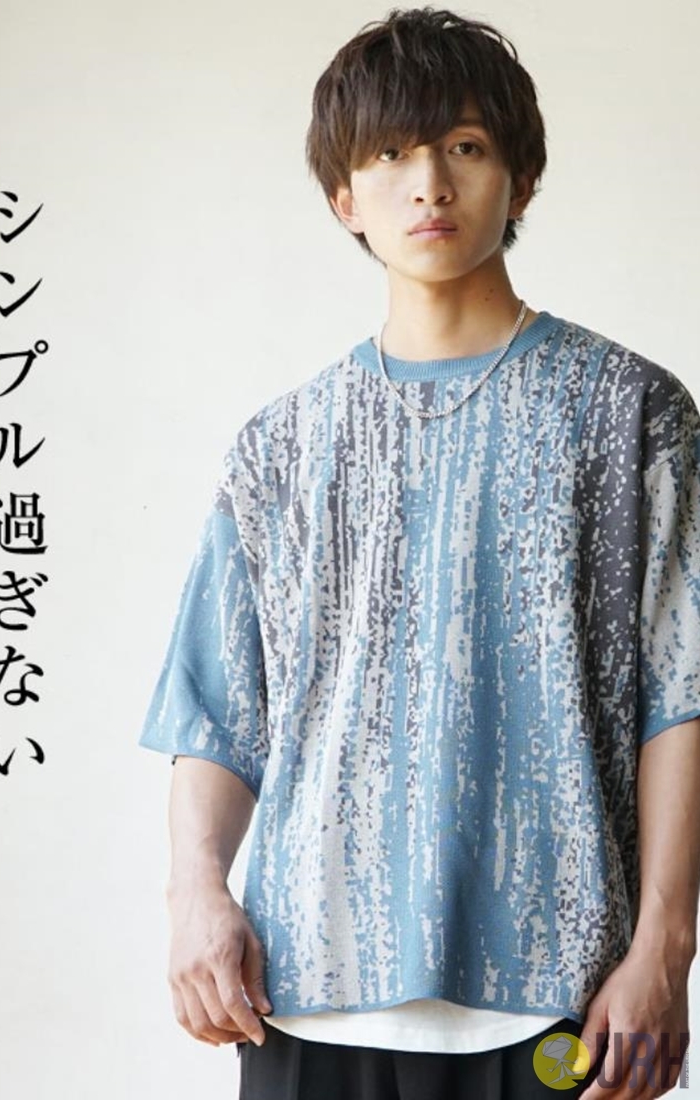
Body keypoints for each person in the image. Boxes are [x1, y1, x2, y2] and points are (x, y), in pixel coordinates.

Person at [139, 7, 700, 1098]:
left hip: (561, 999)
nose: (429, 185)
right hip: (302, 994)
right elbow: (217, 712)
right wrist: (196, 895)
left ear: (520, 180)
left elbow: (681, 699)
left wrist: (664, 950)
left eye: (465, 146)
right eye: (390, 154)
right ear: (344, 198)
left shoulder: (631, 412)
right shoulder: (280, 445)